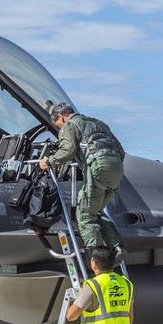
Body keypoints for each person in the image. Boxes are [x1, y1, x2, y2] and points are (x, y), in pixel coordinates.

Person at [38, 103, 125, 255]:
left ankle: (98, 258)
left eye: (56, 124)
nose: (58, 128)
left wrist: (49, 161)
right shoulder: (99, 123)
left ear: (61, 117)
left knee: (84, 216)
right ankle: (117, 247)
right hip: (117, 170)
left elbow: (68, 150)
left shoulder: (69, 126)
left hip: (98, 168)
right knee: (94, 211)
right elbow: (121, 152)